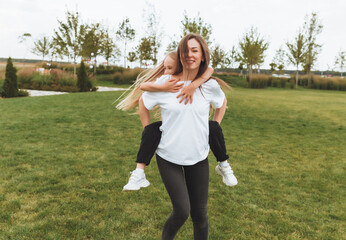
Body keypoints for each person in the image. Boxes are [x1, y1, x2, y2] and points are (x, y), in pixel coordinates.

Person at [132, 33, 229, 239]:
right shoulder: (166, 82)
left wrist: (215, 126)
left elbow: (222, 103)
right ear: (180, 55)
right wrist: (149, 130)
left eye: (195, 50)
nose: (189, 55)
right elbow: (143, 101)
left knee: (200, 215)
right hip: (168, 157)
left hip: (199, 157)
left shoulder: (209, 85)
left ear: (202, 55)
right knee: (182, 211)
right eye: (185, 51)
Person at [117, 51, 237, 192]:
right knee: (151, 130)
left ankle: (223, 164)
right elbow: (143, 96)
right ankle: (139, 173)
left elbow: (219, 94)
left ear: (181, 66)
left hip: (198, 154)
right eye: (165, 68)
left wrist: (214, 123)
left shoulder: (206, 82)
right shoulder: (165, 81)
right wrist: (147, 128)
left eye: (169, 68)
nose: (165, 72)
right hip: (168, 152)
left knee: (213, 127)